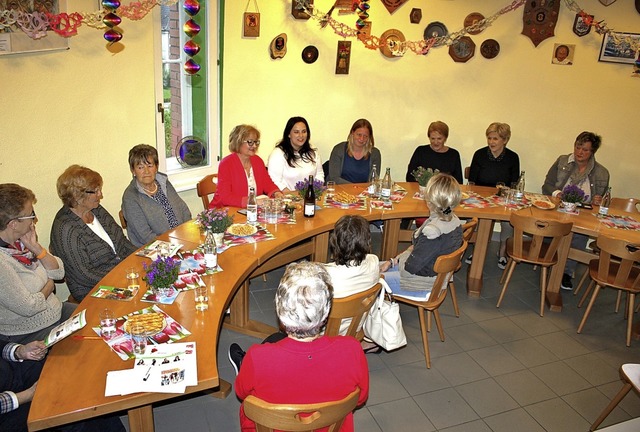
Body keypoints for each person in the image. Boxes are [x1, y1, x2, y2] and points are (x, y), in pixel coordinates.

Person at [233, 262, 369, 432]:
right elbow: (361, 398)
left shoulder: (257, 357)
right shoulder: (352, 350)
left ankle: (242, 367)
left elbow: (241, 393)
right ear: (326, 313)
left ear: (281, 314)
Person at [0, 184, 77, 344]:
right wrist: (49, 284)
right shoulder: (2, 262)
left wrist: (36, 248)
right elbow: (29, 307)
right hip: (30, 331)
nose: (34, 220)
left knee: (98, 321)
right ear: (13, 223)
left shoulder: (23, 240)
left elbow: (59, 272)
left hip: (55, 311)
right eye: (31, 215)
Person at [50, 165, 137, 302]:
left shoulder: (96, 210)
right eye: (95, 191)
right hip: (93, 288)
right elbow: (84, 275)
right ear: (77, 196)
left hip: (122, 275)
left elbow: (122, 241)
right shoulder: (65, 228)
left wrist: (143, 258)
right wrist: (122, 277)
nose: (100, 195)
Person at [0, 338, 126, 432]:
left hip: (13, 371)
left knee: (75, 381)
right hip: (9, 407)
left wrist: (20, 351)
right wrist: (29, 394)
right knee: (66, 409)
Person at [542, 131, 610, 290]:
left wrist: (598, 201)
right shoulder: (562, 161)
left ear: (592, 152)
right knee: (549, 229)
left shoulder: (602, 172)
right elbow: (547, 185)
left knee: (579, 236)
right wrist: (558, 193)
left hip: (583, 212)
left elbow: (602, 201)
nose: (580, 152)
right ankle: (547, 259)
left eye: (585, 150)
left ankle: (566, 272)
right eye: (578, 147)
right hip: (559, 207)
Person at [380, 173, 463, 299]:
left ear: (430, 201)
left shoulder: (433, 232)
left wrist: (395, 262)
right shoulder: (454, 220)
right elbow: (418, 251)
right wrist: (393, 261)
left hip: (421, 284)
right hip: (433, 277)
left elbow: (408, 270)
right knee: (375, 268)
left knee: (369, 279)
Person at [467, 122, 520, 268]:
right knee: (476, 218)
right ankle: (476, 249)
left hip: (502, 198)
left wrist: (504, 189)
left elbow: (514, 183)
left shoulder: (513, 157)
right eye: (489, 138)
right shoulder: (479, 154)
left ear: (505, 139)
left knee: (509, 219)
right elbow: (472, 181)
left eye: (495, 139)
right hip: (480, 197)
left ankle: (502, 252)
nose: (491, 142)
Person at [324, 215, 380, 347]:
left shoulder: (325, 275)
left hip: (324, 333)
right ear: (367, 241)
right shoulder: (374, 261)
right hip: (354, 328)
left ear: (334, 242)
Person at [121, 144, 191, 247]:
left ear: (156, 167)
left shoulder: (164, 183)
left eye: (150, 166)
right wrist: (172, 246)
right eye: (140, 167)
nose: (146, 171)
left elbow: (183, 209)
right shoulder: (130, 197)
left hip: (180, 240)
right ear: (133, 170)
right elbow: (145, 236)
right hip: (155, 249)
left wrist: (188, 233)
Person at [210, 125, 282, 208]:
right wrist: (253, 201)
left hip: (249, 211)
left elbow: (267, 183)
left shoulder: (257, 161)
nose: (254, 146)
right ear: (238, 142)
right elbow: (225, 198)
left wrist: (276, 193)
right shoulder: (226, 164)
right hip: (223, 212)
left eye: (256, 142)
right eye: (250, 142)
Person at [267, 117, 324, 191]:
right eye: (296, 132)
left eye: (304, 131)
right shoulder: (278, 153)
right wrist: (290, 195)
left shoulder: (313, 151)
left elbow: (319, 174)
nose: (301, 135)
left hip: (310, 196)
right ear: (289, 134)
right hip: (287, 198)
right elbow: (274, 180)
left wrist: (314, 191)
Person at [328, 118, 381, 184]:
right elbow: (334, 178)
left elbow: (373, 180)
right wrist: (355, 188)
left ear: (369, 137)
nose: (362, 139)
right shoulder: (339, 149)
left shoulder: (375, 154)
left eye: (365, 136)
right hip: (340, 190)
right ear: (352, 133)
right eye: (359, 135)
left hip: (363, 192)